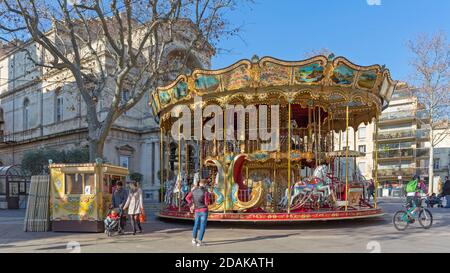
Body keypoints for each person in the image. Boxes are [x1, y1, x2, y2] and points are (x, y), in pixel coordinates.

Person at [185, 179, 211, 247]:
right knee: (202, 226)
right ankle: (199, 241)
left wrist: (191, 203)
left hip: (197, 210)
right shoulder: (205, 192)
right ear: (204, 184)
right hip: (203, 210)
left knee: (196, 225)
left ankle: (193, 239)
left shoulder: (193, 191)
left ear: (199, 184)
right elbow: (206, 202)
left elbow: (187, 198)